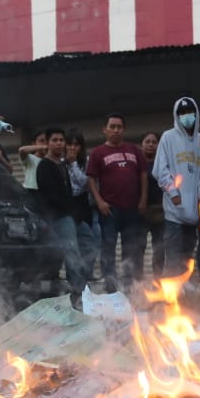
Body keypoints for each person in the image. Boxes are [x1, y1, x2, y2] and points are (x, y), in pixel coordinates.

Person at [87, 114, 148, 291]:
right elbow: (91, 179)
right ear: (104, 129)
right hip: (109, 209)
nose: (115, 130)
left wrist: (143, 199)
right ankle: (110, 285)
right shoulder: (98, 153)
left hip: (132, 208)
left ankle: (129, 284)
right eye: (112, 126)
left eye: (119, 127)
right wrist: (100, 202)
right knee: (108, 248)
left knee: (130, 249)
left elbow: (143, 175)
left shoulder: (134, 150)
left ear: (123, 129)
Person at [152, 97, 200, 280]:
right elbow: (160, 169)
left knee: (187, 255)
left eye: (190, 113)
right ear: (176, 116)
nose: (186, 117)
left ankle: (187, 291)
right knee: (173, 256)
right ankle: (171, 293)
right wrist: (173, 192)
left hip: (194, 212)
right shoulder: (168, 137)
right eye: (182, 113)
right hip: (174, 212)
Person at [35, 127, 89, 308]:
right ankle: (75, 296)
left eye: (61, 140)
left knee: (76, 253)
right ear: (48, 143)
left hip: (67, 217)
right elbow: (51, 195)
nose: (59, 143)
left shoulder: (63, 165)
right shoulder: (44, 165)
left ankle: (77, 294)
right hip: (56, 218)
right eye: (55, 140)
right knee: (67, 255)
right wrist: (69, 210)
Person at [66, 130, 99, 281]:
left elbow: (83, 184)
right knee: (72, 245)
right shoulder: (60, 162)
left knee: (91, 242)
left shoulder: (85, 161)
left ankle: (86, 274)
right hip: (68, 207)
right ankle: (73, 277)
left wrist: (73, 163)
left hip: (84, 206)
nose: (73, 148)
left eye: (76, 145)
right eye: (70, 144)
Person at [139, 133, 166, 281]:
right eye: (147, 141)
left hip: (160, 211)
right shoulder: (137, 163)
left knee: (160, 248)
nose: (150, 144)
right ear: (142, 144)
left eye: (154, 142)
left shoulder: (163, 162)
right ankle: (139, 280)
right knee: (139, 247)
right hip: (141, 211)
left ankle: (157, 279)